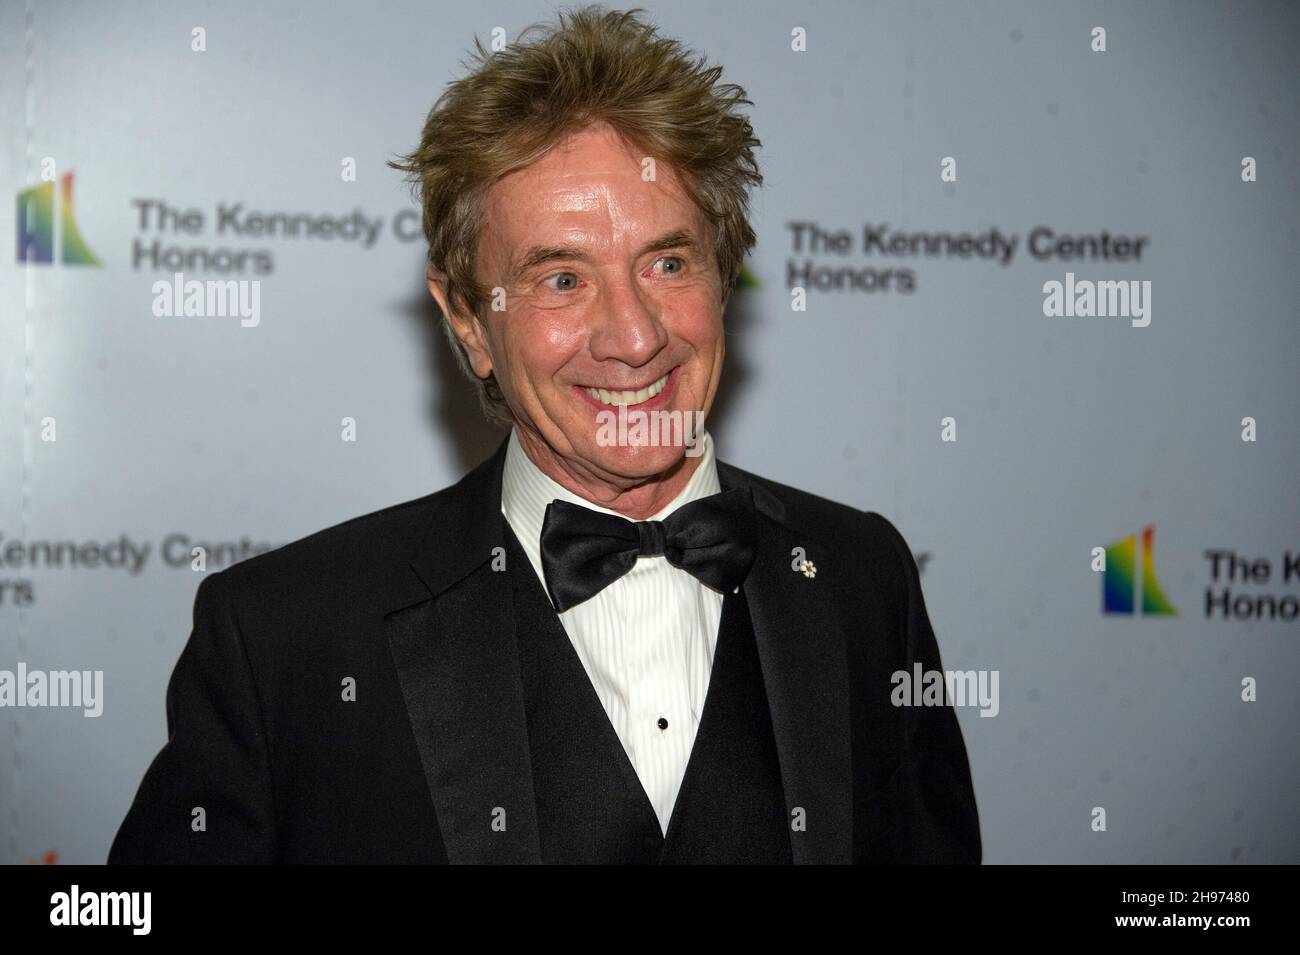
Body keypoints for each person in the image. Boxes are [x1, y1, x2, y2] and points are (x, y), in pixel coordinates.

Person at [109, 4, 980, 864]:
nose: (635, 336)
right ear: (469, 321)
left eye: (668, 262)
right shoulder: (285, 640)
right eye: (562, 278)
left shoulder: (864, 582)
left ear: (725, 274)